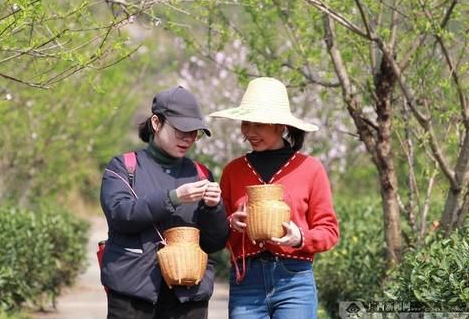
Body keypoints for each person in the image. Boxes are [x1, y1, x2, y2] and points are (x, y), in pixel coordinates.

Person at [209, 77, 339, 319]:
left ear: (281, 125)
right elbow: (217, 231)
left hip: (295, 281)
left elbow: (329, 231)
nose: (249, 132)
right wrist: (230, 224)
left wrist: (300, 237)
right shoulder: (232, 171)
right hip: (246, 281)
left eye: (258, 124)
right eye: (245, 123)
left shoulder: (310, 168)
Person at [100, 86, 229, 319]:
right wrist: (174, 198)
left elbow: (214, 243)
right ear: (157, 123)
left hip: (189, 294)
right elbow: (121, 216)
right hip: (133, 293)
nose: (188, 139)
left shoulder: (200, 173)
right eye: (181, 131)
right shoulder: (123, 167)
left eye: (194, 133)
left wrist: (214, 208)